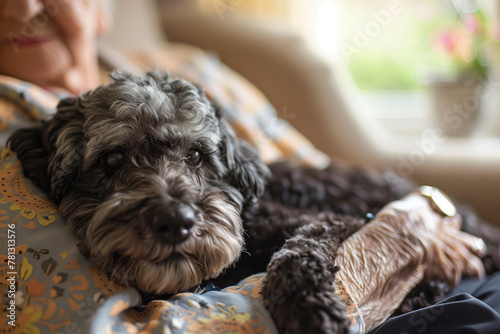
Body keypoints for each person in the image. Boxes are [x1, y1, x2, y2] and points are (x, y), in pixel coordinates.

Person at [0, 1, 499, 333]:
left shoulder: (194, 66)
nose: (23, 8)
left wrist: (427, 207)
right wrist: (383, 251)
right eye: (112, 161)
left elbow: (325, 180)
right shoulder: (16, 137)